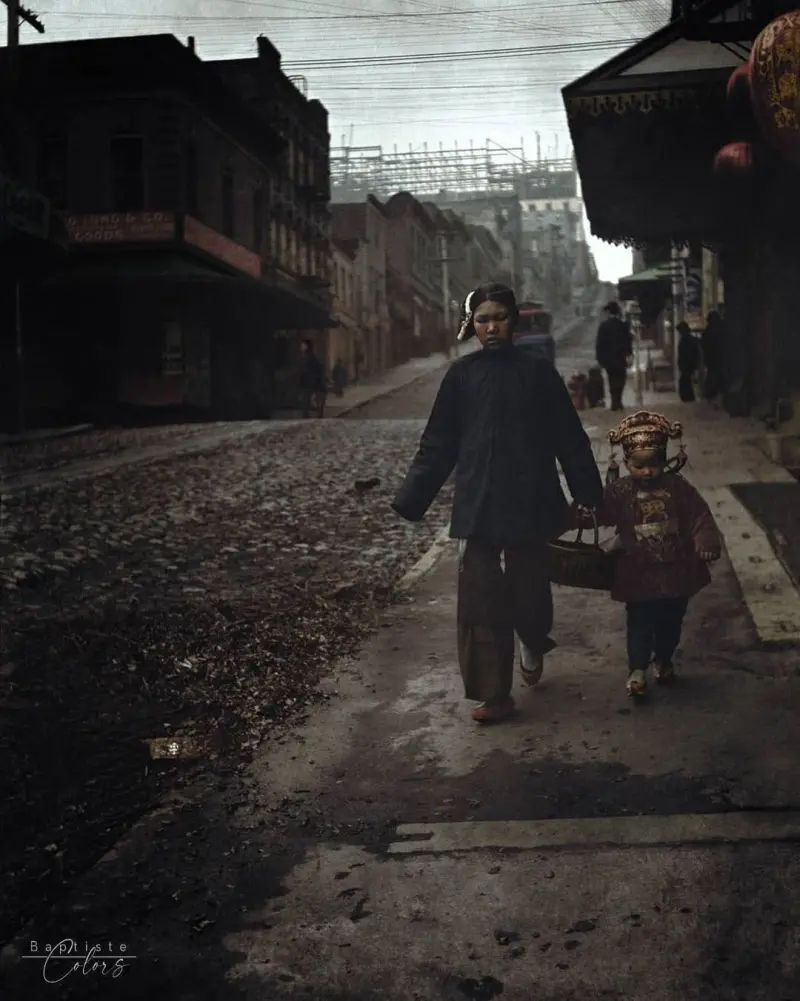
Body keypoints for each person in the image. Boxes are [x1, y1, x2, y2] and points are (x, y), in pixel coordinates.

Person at [391, 282, 603, 724]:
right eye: (483, 320)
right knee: (480, 597)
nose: (492, 327)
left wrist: (588, 494)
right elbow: (438, 443)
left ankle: (532, 636)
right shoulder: (460, 377)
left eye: (500, 318)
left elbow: (568, 436)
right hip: (479, 501)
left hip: (531, 499)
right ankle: (494, 694)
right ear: (473, 326)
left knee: (528, 589)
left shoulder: (538, 373)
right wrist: (412, 500)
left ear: (513, 321)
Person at [574, 411, 721, 698]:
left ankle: (664, 658)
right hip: (638, 571)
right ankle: (637, 668)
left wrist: (705, 540)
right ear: (626, 463)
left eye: (654, 464)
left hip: (676, 570)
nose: (647, 471)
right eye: (638, 465)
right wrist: (581, 514)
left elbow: (699, 514)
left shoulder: (678, 487)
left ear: (664, 459)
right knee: (640, 621)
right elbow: (600, 512)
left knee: (672, 620)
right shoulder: (620, 491)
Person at [596, 301, 633, 412]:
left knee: (611, 379)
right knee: (620, 379)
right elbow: (628, 341)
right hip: (620, 357)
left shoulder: (603, 326)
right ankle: (618, 401)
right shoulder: (622, 325)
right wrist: (629, 354)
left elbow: (599, 344)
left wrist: (600, 358)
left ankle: (614, 401)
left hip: (608, 359)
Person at [297, 339, 327, 418]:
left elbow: (306, 372)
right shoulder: (308, 357)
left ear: (306, 347)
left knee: (306, 404)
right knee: (306, 404)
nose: (301, 347)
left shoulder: (308, 358)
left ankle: (309, 417)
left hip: (308, 384)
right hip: (309, 383)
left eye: (302, 346)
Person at [701, 311, 726, 402]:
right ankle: (713, 396)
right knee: (715, 378)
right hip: (717, 360)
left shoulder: (709, 331)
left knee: (714, 378)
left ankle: (712, 397)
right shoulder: (720, 330)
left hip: (714, 360)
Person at [677, 322, 701, 402]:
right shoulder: (689, 340)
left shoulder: (688, 340)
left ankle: (688, 397)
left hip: (688, 364)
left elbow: (691, 354)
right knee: (686, 381)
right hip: (688, 364)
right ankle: (688, 397)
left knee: (685, 381)